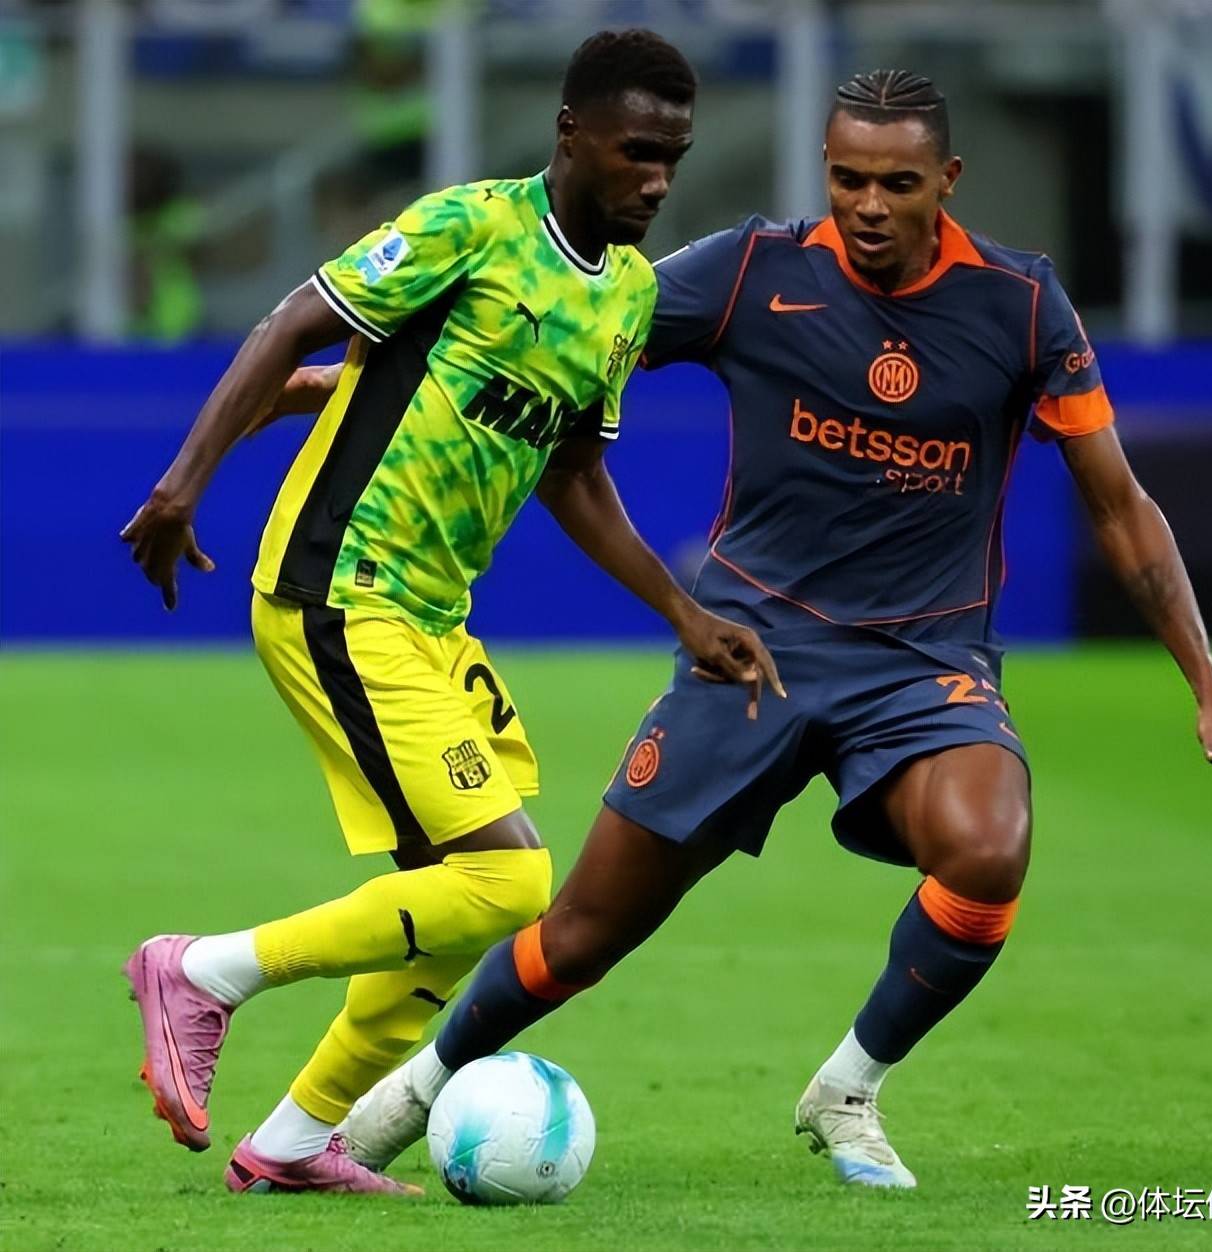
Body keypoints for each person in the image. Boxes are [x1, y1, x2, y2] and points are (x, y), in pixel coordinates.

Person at [329, 69, 1212, 1191]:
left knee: (989, 850)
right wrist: (340, 383)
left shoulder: (1021, 305)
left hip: (924, 665)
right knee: (583, 932)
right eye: (847, 179)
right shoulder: (752, 272)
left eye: (897, 184)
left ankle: (849, 1088)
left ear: (948, 180)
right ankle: (410, 1093)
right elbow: (555, 333)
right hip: (751, 653)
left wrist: (1209, 689)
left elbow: (1120, 507)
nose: (867, 205)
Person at [118, 29, 779, 1198]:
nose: (657, 181)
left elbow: (573, 472)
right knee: (511, 885)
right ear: (571, 133)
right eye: (636, 152)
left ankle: (291, 1143)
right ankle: (203, 971)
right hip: (339, 585)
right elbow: (296, 322)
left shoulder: (627, 295)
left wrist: (683, 613)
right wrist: (183, 483)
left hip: (433, 617)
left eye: (673, 158)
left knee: (461, 902)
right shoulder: (468, 226)